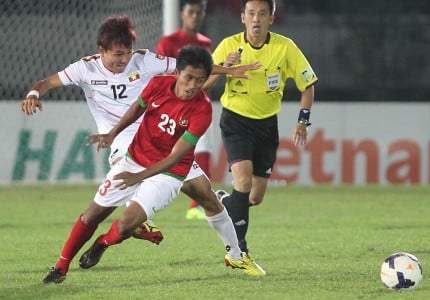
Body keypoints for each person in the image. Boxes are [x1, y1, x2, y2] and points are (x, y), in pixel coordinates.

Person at [21, 16, 259, 247]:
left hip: (155, 134)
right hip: (122, 138)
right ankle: (134, 219)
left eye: (128, 52)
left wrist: (227, 71)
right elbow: (47, 83)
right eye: (118, 54)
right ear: (101, 50)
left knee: (204, 193)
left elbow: (187, 68)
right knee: (126, 175)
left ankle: (235, 252)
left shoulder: (144, 60)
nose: (124, 59)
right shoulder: (84, 68)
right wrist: (33, 94)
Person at [41, 45, 264, 283]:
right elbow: (137, 107)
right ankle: (60, 268)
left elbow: (176, 157)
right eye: (188, 78)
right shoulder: (158, 84)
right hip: (134, 159)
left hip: (169, 173)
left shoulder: (202, 110)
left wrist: (139, 178)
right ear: (177, 73)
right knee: (92, 214)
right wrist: (113, 133)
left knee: (127, 225)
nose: (192, 86)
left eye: (200, 81)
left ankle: (103, 242)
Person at [204, 0, 318, 255]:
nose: (256, 19)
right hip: (235, 121)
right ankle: (238, 250)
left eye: (262, 14)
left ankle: (223, 202)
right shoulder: (229, 46)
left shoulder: (284, 47)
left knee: (253, 197)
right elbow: (204, 84)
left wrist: (303, 121)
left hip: (267, 126)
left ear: (271, 19)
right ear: (243, 17)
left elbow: (307, 85)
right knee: (242, 181)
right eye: (251, 14)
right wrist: (225, 68)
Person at [156, 0, 214, 221]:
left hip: (199, 106)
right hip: (175, 108)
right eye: (191, 12)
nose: (195, 16)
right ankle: (146, 200)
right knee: (165, 154)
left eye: (199, 13)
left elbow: (206, 80)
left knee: (204, 149)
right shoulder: (169, 42)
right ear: (182, 14)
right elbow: (161, 75)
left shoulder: (206, 43)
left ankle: (196, 206)